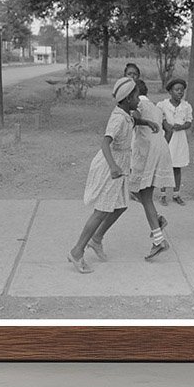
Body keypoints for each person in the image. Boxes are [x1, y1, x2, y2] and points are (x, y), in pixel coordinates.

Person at [69, 77, 147, 273]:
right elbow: (105, 143)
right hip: (110, 165)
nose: (139, 99)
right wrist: (113, 167)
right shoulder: (118, 118)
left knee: (120, 206)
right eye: (137, 96)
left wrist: (147, 122)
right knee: (102, 210)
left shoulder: (126, 114)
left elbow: (134, 121)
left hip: (121, 165)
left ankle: (96, 239)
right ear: (129, 98)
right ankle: (77, 251)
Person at [129, 79, 173, 259]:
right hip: (160, 149)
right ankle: (158, 219)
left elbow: (134, 119)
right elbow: (168, 130)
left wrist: (142, 123)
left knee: (143, 196)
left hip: (146, 152)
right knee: (136, 192)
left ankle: (158, 239)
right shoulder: (156, 107)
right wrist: (159, 145)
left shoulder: (136, 105)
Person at [158, 77, 193, 205]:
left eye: (182, 90)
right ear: (170, 92)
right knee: (164, 166)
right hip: (167, 138)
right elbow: (159, 118)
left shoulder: (186, 106)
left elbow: (189, 122)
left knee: (177, 167)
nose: (180, 92)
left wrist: (181, 126)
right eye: (177, 90)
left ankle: (176, 194)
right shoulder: (162, 105)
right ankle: (162, 194)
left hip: (179, 139)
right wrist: (165, 123)